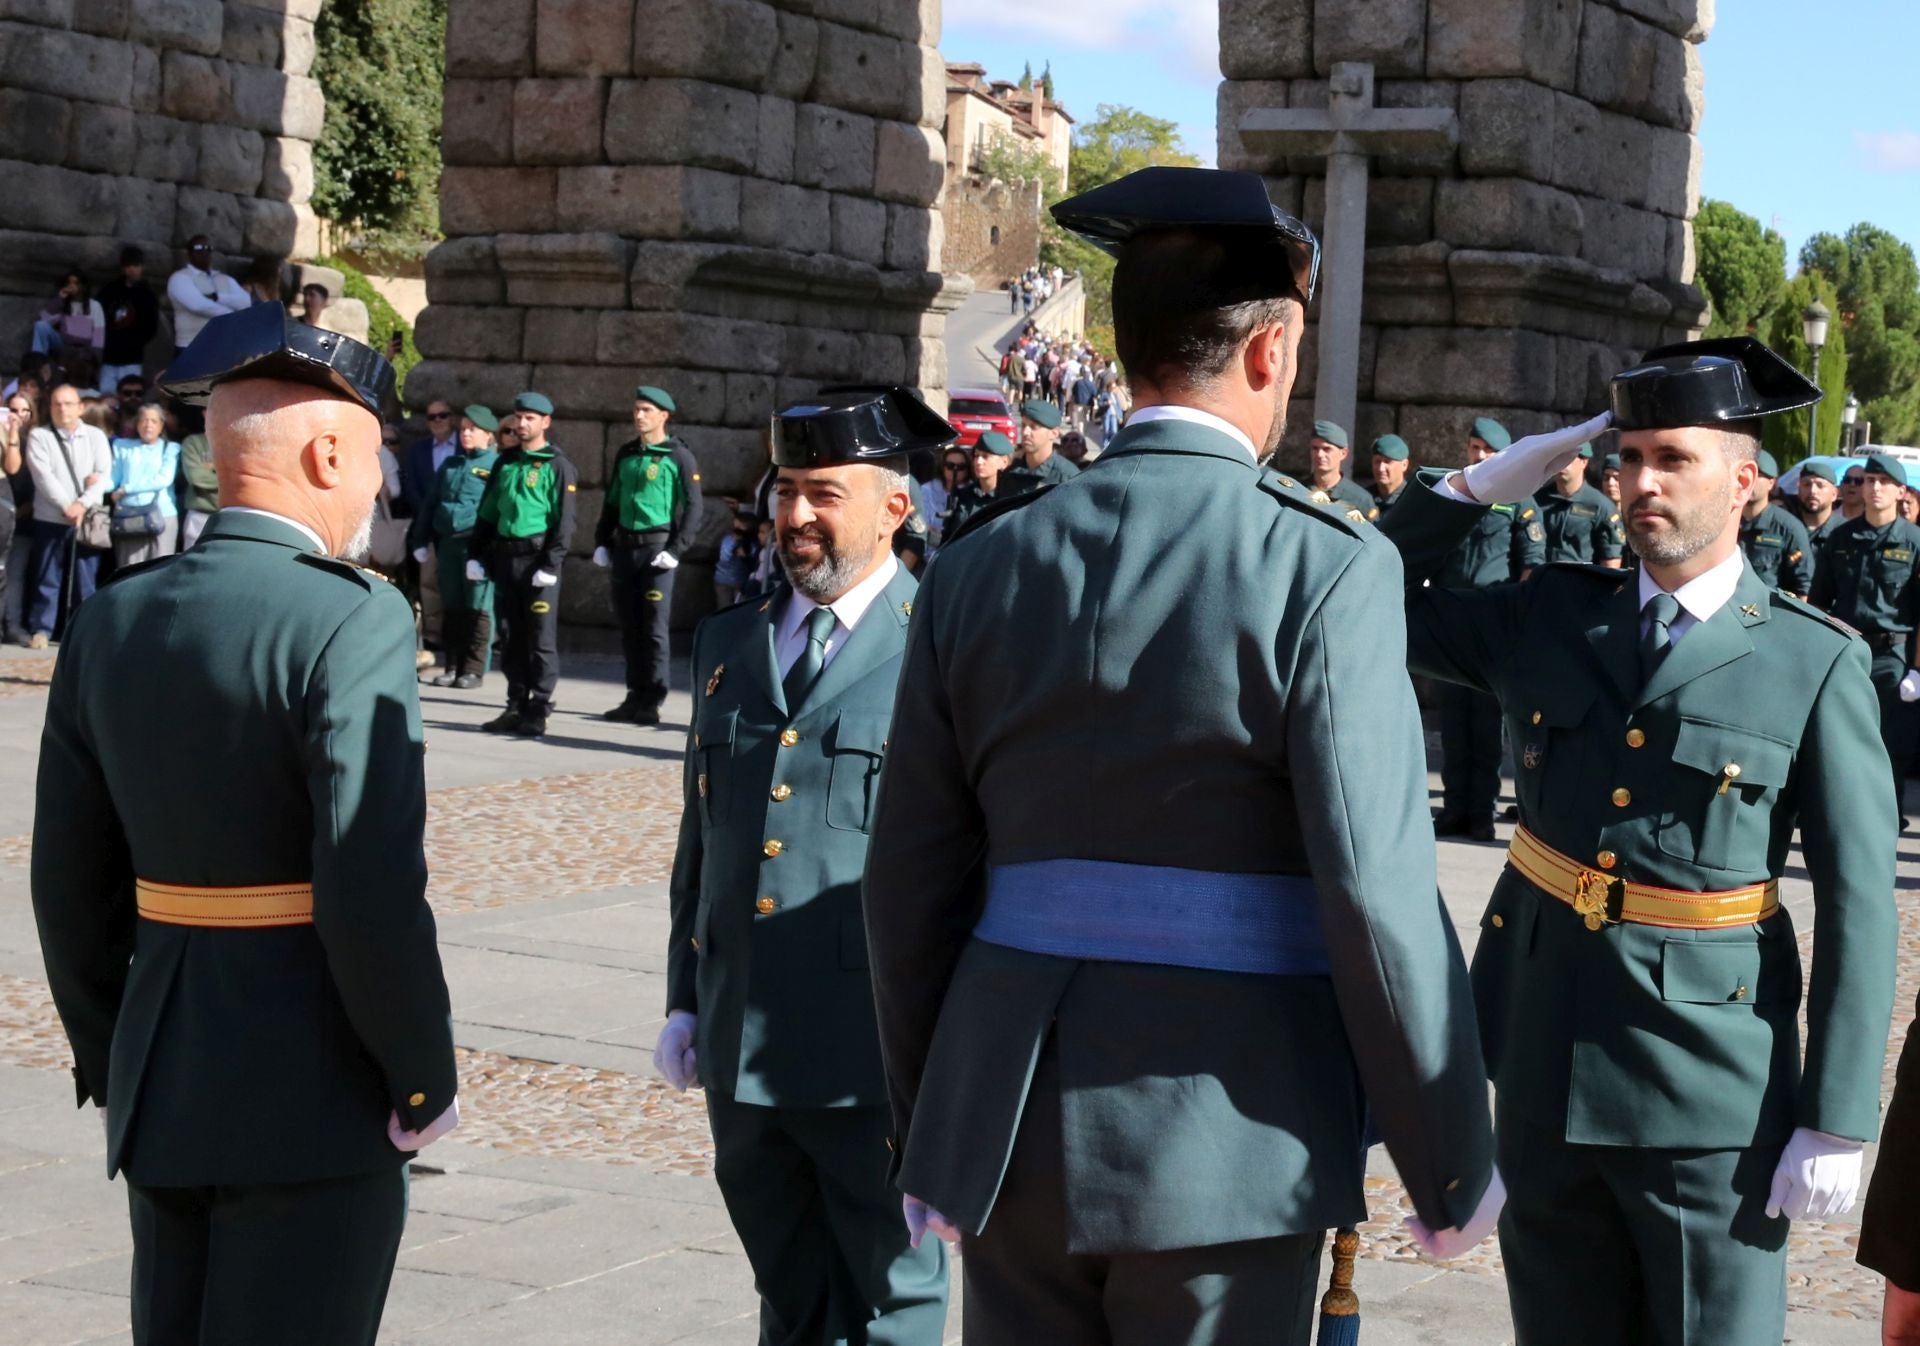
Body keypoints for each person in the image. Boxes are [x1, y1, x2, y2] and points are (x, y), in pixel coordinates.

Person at [863, 167, 1499, 1346]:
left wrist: (936, 1122)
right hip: (1229, 1131)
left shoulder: (982, 563)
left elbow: (905, 882)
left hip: (1007, 1115)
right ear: (1270, 354)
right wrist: (1450, 1156)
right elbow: (1376, 893)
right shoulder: (1327, 565)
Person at [1375, 335, 1896, 1346]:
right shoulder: (1551, 618)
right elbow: (1359, 594)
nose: (1642, 482)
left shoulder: (1811, 660)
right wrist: (1476, 485)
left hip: (1711, 1092)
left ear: (1746, 480)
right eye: (1630, 457)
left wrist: (1836, 1112)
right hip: (1542, 1062)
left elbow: (1862, 895)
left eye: (1675, 458)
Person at [33, 301, 459, 1346]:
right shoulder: (352, 613)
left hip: (163, 1078)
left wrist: (113, 1048)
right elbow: (366, 881)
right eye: (371, 460)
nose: (376, 487)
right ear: (324, 452)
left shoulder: (113, 616)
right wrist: (419, 1071)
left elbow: (67, 880)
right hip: (309, 1093)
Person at [658, 385, 951, 1346]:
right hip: (745, 1045)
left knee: (889, 1306)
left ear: (894, 509)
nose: (794, 518)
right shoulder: (729, 641)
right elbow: (703, 844)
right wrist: (684, 998)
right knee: (787, 1297)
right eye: (786, 491)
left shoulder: (944, 645)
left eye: (824, 494)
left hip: (875, 1053)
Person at [1432, 417, 1543, 841]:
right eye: (1474, 447)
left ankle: (1480, 811)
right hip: (1452, 621)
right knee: (1454, 724)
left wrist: (1517, 626)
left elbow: (1530, 566)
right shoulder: (1454, 494)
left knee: (1486, 724)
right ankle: (1454, 806)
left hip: (1494, 626)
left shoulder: (1519, 500)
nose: (1478, 457)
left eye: (1487, 451)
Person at [1808, 449, 1920, 830]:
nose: (1874, 488)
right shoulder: (1841, 538)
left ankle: (1886, 818)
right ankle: (1842, 815)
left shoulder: (1914, 541)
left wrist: (1917, 669)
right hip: (1847, 650)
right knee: (1841, 737)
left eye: (1884, 482)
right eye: (1869, 480)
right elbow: (1821, 601)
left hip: (1893, 653)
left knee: (1891, 744)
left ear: (1901, 491)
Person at [592, 386, 704, 725]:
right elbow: (612, 500)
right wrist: (602, 540)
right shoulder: (627, 453)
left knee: (654, 628)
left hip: (657, 548)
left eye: (646, 410)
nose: (638, 415)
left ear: (663, 416)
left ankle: (652, 698)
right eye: (636, 409)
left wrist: (676, 549)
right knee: (630, 626)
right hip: (626, 546)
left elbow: (694, 506)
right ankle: (633, 694)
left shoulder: (677, 455)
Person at [468, 390, 576, 738]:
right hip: (506, 556)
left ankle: (539, 707)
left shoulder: (557, 465)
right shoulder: (505, 462)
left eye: (531, 418)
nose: (523, 423)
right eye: (519, 417)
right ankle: (515, 703)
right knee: (510, 636)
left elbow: (565, 521)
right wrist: (476, 554)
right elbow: (487, 513)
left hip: (537, 559)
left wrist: (552, 562)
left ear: (546, 422)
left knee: (540, 638)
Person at [407, 405, 500, 690]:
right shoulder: (451, 465)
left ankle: (473, 668)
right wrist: (420, 539)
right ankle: (452, 665)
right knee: (452, 606)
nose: (466, 434)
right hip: (447, 543)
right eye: (463, 429)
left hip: (476, 544)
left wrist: (488, 550)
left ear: (488, 435)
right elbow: (431, 504)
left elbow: (497, 509)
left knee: (478, 608)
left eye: (473, 429)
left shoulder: (496, 465)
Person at [23, 383, 112, 646]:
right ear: (49, 407)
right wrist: (67, 505)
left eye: (68, 403)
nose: (62, 409)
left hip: (86, 519)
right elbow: (43, 477)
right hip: (51, 517)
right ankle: (42, 629)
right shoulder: (40, 436)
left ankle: (82, 632)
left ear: (80, 407)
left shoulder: (96, 436)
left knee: (85, 580)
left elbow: (103, 475)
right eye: (57, 404)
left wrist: (82, 505)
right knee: (47, 576)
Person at [108, 402, 181, 564]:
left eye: (154, 421)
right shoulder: (122, 446)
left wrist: (127, 488)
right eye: (144, 420)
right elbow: (113, 479)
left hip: (162, 514)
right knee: (129, 568)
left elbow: (164, 479)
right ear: (137, 423)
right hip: (129, 514)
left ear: (161, 425)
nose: (148, 425)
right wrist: (93, 483)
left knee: (160, 569)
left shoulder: (171, 448)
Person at [1737, 449, 1815, 596]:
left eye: (1757, 475)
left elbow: (1802, 586)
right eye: (1742, 473)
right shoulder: (1724, 523)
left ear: (1771, 483)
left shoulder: (1788, 528)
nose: (1748, 480)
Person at [1535, 440, 1625, 566]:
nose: (1561, 464)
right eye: (1557, 457)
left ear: (1584, 462)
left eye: (1568, 458)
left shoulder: (1600, 506)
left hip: (1580, 582)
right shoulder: (1537, 500)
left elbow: (1611, 562)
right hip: (1542, 580)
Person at [165, 238, 251, 355]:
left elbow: (245, 302)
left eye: (208, 249)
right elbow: (198, 305)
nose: (205, 253)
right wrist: (232, 314)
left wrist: (218, 298)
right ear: (189, 254)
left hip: (223, 346)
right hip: (191, 346)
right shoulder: (180, 278)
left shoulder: (222, 278)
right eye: (199, 249)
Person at [97, 247, 160, 392]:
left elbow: (151, 327)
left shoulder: (147, 294)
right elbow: (99, 315)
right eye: (129, 266)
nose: (132, 270)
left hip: (132, 358)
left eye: (136, 265)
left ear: (142, 267)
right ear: (123, 268)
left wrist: (135, 342)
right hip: (109, 357)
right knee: (106, 397)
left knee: (130, 396)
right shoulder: (110, 290)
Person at [999, 397, 1079, 497]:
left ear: (1054, 433)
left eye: (1034, 427)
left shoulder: (1068, 478)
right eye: (1023, 425)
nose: (1025, 432)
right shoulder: (1010, 475)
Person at [1303, 419, 1373, 522]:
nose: (1319, 455)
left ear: (1343, 453)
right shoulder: (1300, 491)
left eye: (1327, 449)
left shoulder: (1360, 499)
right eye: (1315, 448)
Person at [944, 430, 1011, 536]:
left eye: (985, 456)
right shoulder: (963, 495)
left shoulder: (1010, 497)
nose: (978, 462)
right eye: (976, 455)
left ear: (1004, 462)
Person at [176, 425, 218, 550]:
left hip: (231, 516)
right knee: (192, 567)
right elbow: (196, 477)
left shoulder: (240, 442)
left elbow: (244, 477)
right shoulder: (193, 442)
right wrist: (228, 474)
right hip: (199, 515)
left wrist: (213, 466)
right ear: (204, 412)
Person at [1793, 459, 1842, 553]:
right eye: (1807, 484)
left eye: (1820, 485)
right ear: (1798, 490)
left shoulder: (1845, 531)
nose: (1812, 491)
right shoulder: (1787, 528)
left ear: (1834, 494)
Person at [712, 510, 756, 607]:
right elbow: (724, 557)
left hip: (741, 581)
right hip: (723, 579)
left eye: (740, 528)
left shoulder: (752, 543)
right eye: (735, 527)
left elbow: (755, 560)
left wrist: (746, 555)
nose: (736, 531)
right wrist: (733, 544)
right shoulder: (728, 539)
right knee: (723, 607)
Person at [1366, 433, 1411, 517]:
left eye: (1388, 462)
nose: (1381, 468)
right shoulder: (1363, 499)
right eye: (1377, 461)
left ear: (1404, 465)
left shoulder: (1412, 500)